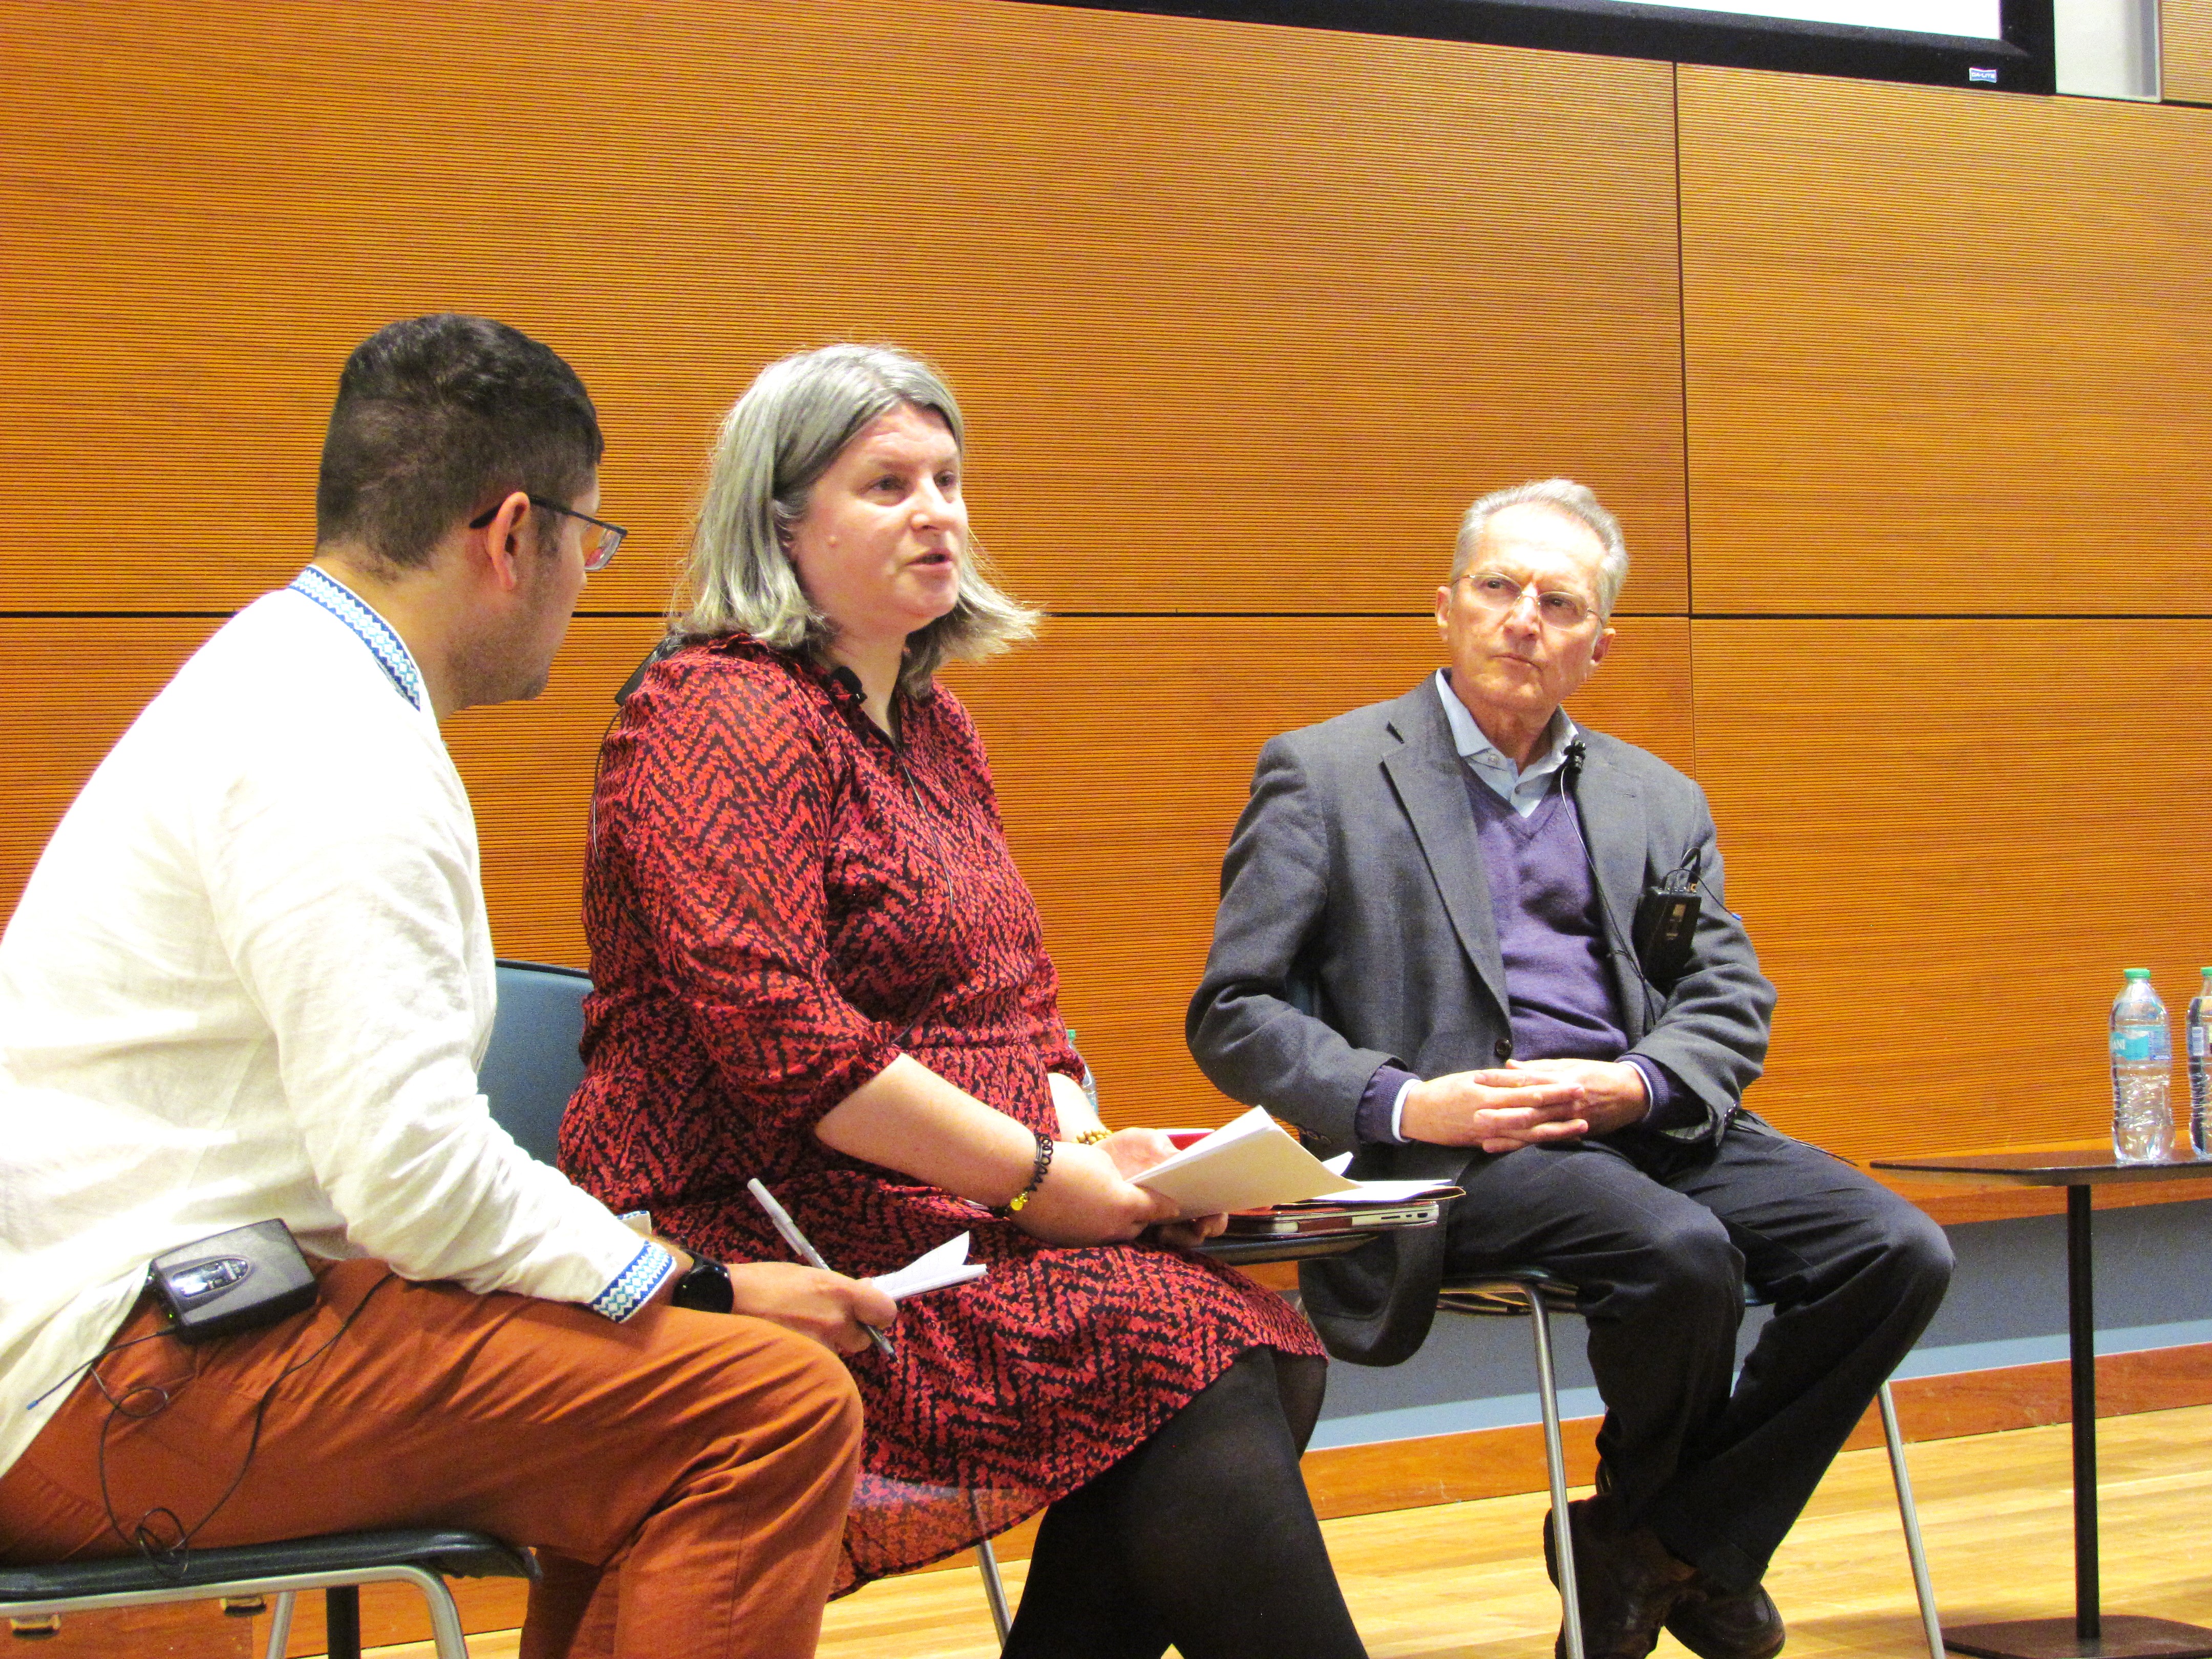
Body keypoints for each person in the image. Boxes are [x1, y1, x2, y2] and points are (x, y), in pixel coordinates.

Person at [0, 315, 892, 1659]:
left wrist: (652, 1293)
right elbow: (409, 1180)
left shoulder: (282, 673)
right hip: (118, 1376)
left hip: (142, 1336)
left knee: (689, 1401)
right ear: (508, 532)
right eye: (588, 546)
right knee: (770, 1409)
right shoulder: (335, 745)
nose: (583, 583)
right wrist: (697, 1286)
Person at [560, 342, 1367, 1659]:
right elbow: (785, 1042)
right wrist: (1046, 1180)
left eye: (948, 477)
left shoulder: (936, 727)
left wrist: (1106, 1154)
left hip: (939, 1200)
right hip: (752, 1225)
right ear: (782, 522)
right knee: (1187, 1339)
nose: (938, 510)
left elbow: (1022, 1005)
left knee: (1244, 1326)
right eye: (887, 484)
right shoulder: (715, 709)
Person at [1186, 478, 1953, 1659]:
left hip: (1644, 1121)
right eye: (1497, 587)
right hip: (1460, 1145)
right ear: (1444, 607)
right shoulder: (1325, 775)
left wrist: (1638, 1083)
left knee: (1897, 1250)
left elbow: (1730, 996)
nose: (1523, 618)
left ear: (1600, 644)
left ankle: (1658, 1545)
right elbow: (1235, 1010)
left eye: (1559, 601)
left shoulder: (1660, 796)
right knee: (1677, 1255)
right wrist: (1406, 1096)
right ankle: (1682, 1551)